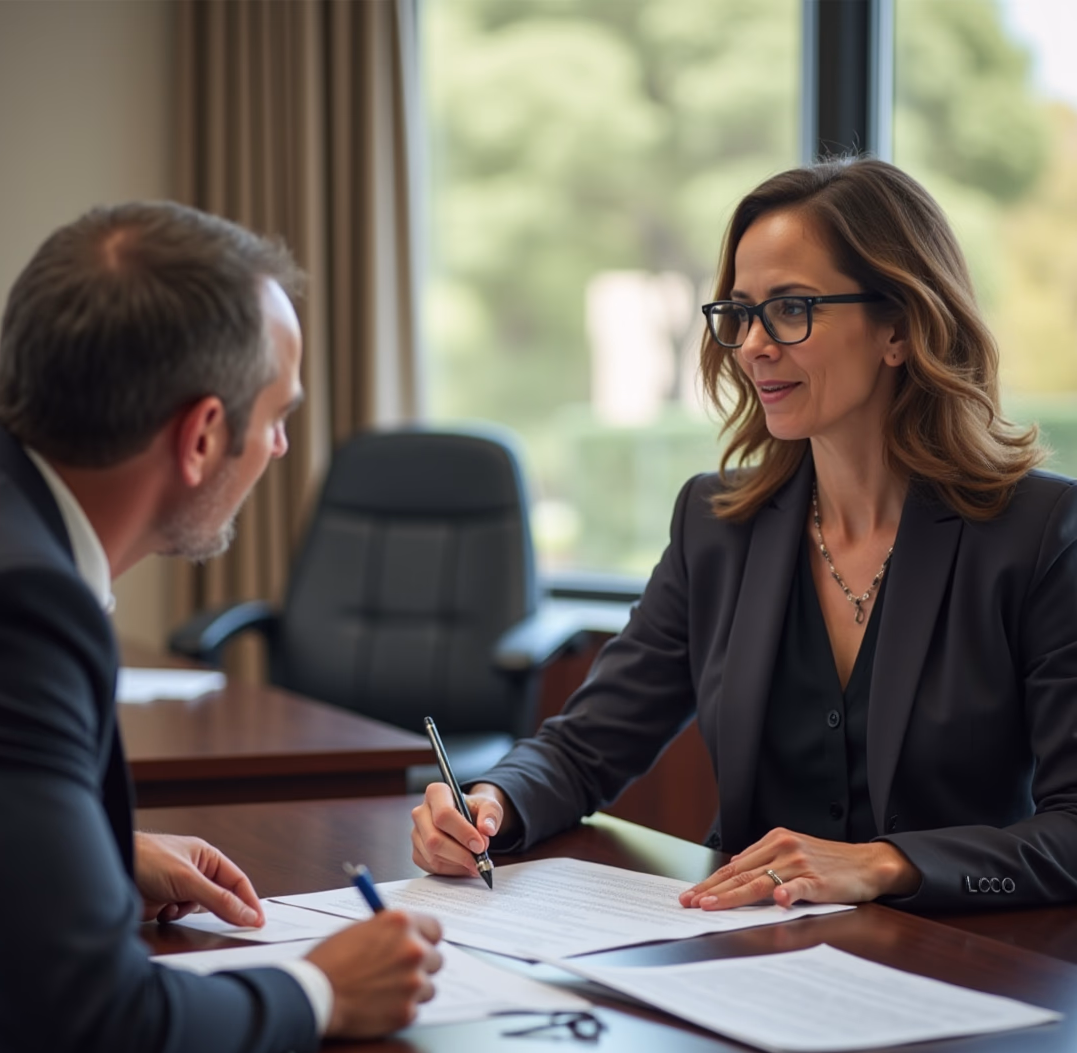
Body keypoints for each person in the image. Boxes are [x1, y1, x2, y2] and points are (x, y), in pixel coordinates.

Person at [0, 201, 442, 1053]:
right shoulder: (14, 602)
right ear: (201, 436)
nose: (275, 451)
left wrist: (82, 853)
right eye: (277, 420)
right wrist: (322, 988)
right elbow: (99, 1042)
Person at [412, 156, 1077, 914]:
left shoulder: (1038, 535)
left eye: (791, 309)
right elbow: (585, 746)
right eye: (740, 312)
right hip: (746, 954)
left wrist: (889, 865)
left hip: (970, 971)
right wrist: (490, 802)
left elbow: (1072, 834)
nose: (754, 344)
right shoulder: (716, 524)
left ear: (898, 327)